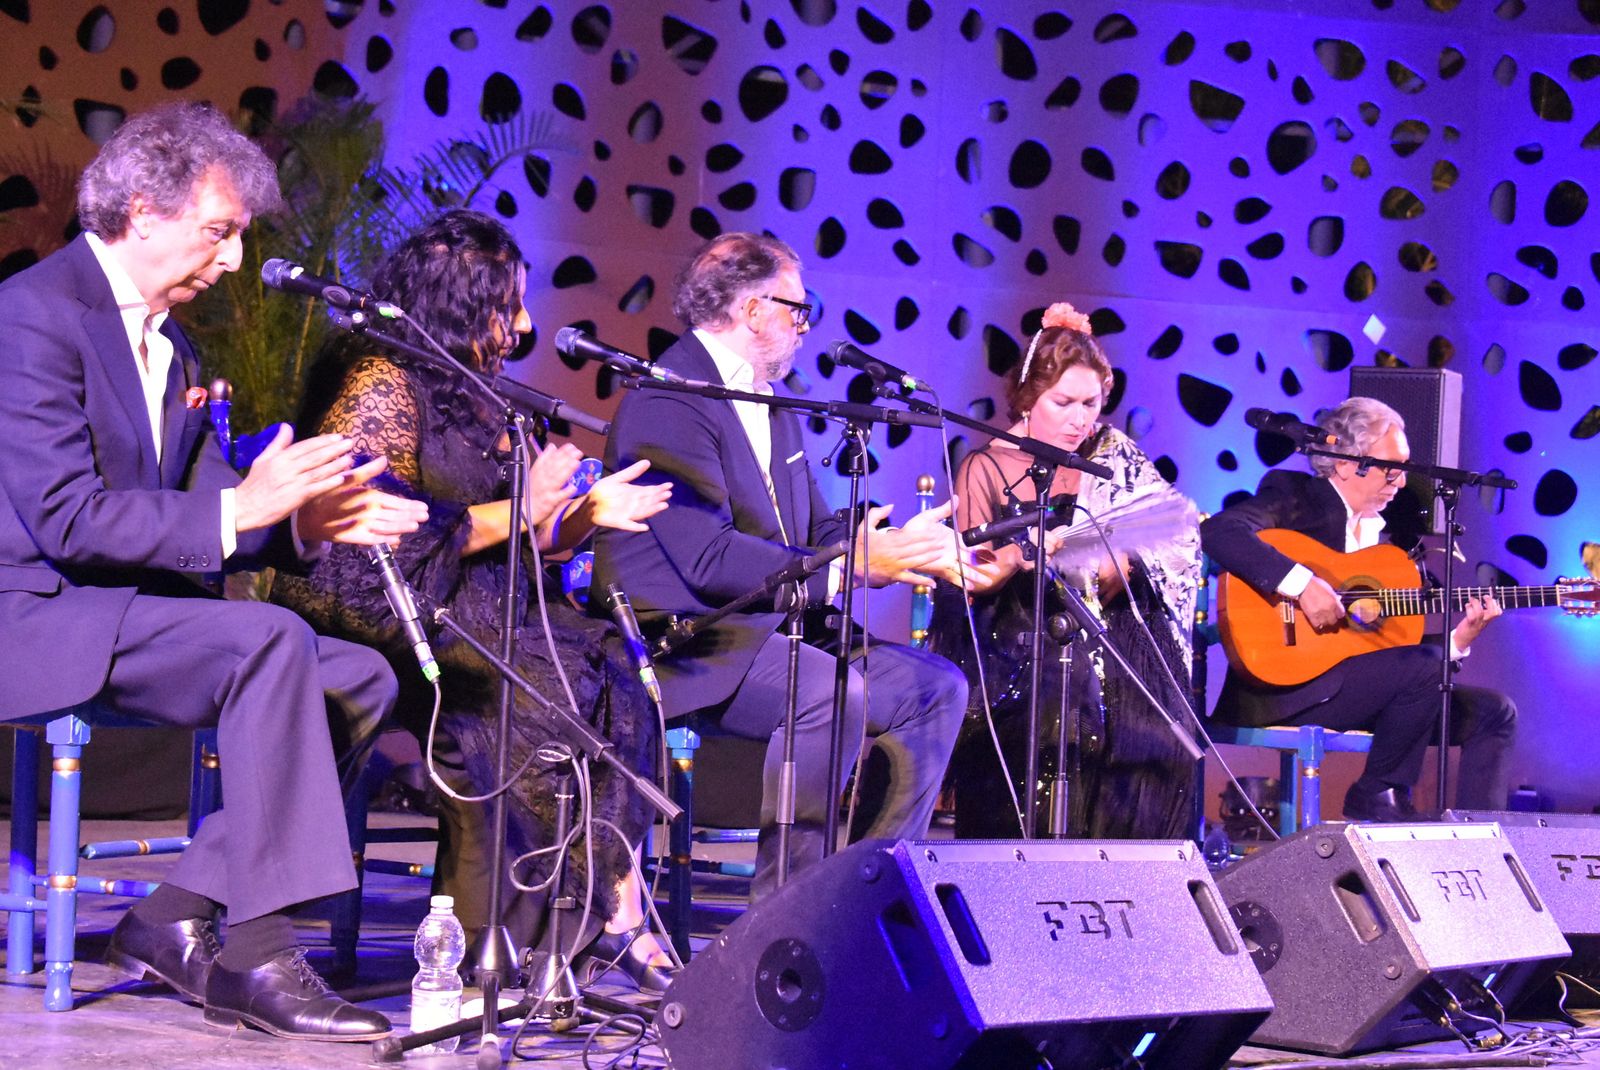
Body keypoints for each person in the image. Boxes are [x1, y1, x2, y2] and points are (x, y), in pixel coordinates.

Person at [0, 102, 430, 1040]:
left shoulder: (173, 341)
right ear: (142, 212)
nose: (234, 260)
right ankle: (259, 956)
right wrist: (248, 506)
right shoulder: (31, 317)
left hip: (131, 611)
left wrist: (306, 520)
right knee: (270, 638)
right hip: (39, 614)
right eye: (220, 231)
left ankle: (169, 917)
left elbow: (212, 501)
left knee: (360, 674)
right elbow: (67, 518)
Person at [271, 209, 676, 991]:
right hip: (390, 609)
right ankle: (549, 932)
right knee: (539, 686)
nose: (525, 325)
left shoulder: (479, 395)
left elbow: (521, 540)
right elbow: (378, 542)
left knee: (609, 670)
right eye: (506, 306)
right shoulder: (379, 386)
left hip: (475, 601)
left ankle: (589, 923)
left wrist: (580, 515)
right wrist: (525, 511)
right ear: (458, 306)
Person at [593, 231, 972, 898]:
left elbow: (815, 529)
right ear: (753, 308)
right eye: (800, 308)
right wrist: (850, 566)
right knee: (826, 691)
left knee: (936, 689)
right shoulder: (670, 398)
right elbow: (707, 559)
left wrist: (884, 540)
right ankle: (788, 916)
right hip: (685, 635)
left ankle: (864, 891)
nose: (804, 325)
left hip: (764, 628)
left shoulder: (775, 403)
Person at [929, 302, 1202, 840]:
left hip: (1112, 635)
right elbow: (970, 577)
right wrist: (1026, 555)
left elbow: (1176, 527)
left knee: (1160, 735)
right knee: (1059, 710)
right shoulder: (984, 467)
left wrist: (1126, 556)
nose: (1081, 419)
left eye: (1092, 403)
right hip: (1020, 645)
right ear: (1029, 398)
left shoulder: (1111, 453)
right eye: (1064, 402)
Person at [1201, 396, 1517, 820]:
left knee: (1494, 712)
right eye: (1392, 467)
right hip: (1284, 689)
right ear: (1347, 462)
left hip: (1362, 690)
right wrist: (1301, 584)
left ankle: (1484, 838)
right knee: (1423, 668)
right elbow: (1220, 531)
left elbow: (1391, 649)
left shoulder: (1393, 542)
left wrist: (1459, 640)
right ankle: (1376, 793)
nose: (1401, 482)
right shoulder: (1294, 495)